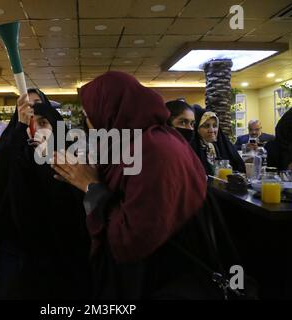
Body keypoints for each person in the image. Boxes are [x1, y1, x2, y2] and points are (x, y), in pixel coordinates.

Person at [51, 71, 213, 299]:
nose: (87, 123)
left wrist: (91, 185)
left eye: (89, 115)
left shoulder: (153, 151)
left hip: (154, 280)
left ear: (110, 110)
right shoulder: (140, 141)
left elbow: (131, 240)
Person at [0, 88, 91, 299]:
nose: (34, 127)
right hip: (18, 254)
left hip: (61, 254)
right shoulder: (9, 152)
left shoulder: (69, 155)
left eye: (42, 122)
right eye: (24, 114)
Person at [191, 106, 245, 176]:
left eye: (215, 126)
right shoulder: (193, 150)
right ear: (197, 129)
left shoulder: (221, 147)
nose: (212, 130)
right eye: (206, 126)